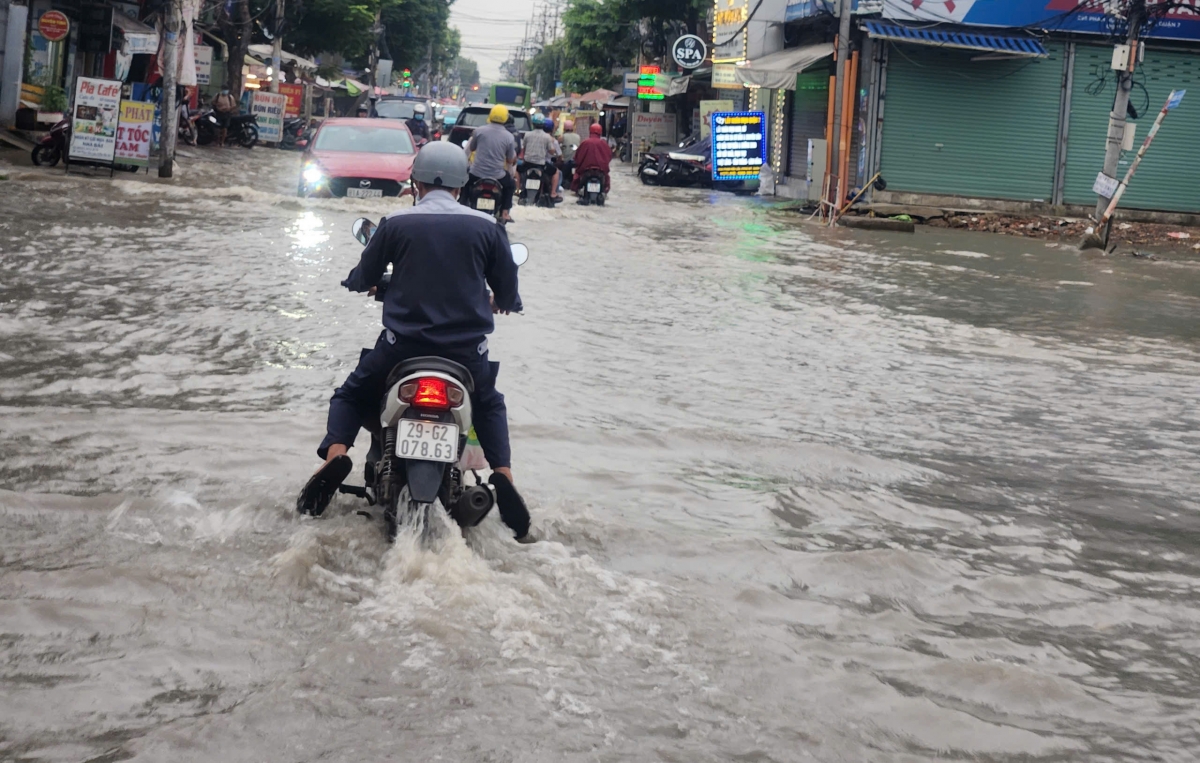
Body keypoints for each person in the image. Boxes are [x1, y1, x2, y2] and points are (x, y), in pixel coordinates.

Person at [296, 141, 534, 542]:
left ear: (415, 181)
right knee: (490, 403)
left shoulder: (396, 224)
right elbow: (509, 294)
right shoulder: (488, 228)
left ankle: (335, 458)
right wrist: (500, 302)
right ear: (462, 185)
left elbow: (363, 274)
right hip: (465, 357)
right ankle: (503, 475)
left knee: (351, 395)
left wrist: (362, 283)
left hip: (400, 351)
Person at [465, 105, 518, 223]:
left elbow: (472, 148)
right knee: (510, 185)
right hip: (498, 175)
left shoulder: (479, 131)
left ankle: (462, 205)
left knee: (465, 183)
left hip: (476, 173)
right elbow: (510, 160)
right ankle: (504, 212)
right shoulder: (509, 136)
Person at [521, 117, 561, 204]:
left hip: (527, 163)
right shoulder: (547, 137)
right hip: (541, 165)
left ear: (533, 124)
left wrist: (524, 158)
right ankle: (553, 193)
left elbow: (523, 149)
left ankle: (517, 190)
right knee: (556, 172)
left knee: (517, 170)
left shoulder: (527, 134)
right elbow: (551, 150)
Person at [572, 123, 611, 194]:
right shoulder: (604, 144)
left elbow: (578, 157)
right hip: (601, 171)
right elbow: (609, 157)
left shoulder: (585, 142)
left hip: (586, 171)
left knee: (576, 179)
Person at [559, 119, 580, 189]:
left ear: (564, 128)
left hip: (566, 161)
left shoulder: (562, 137)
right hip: (576, 161)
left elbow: (558, 147)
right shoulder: (578, 136)